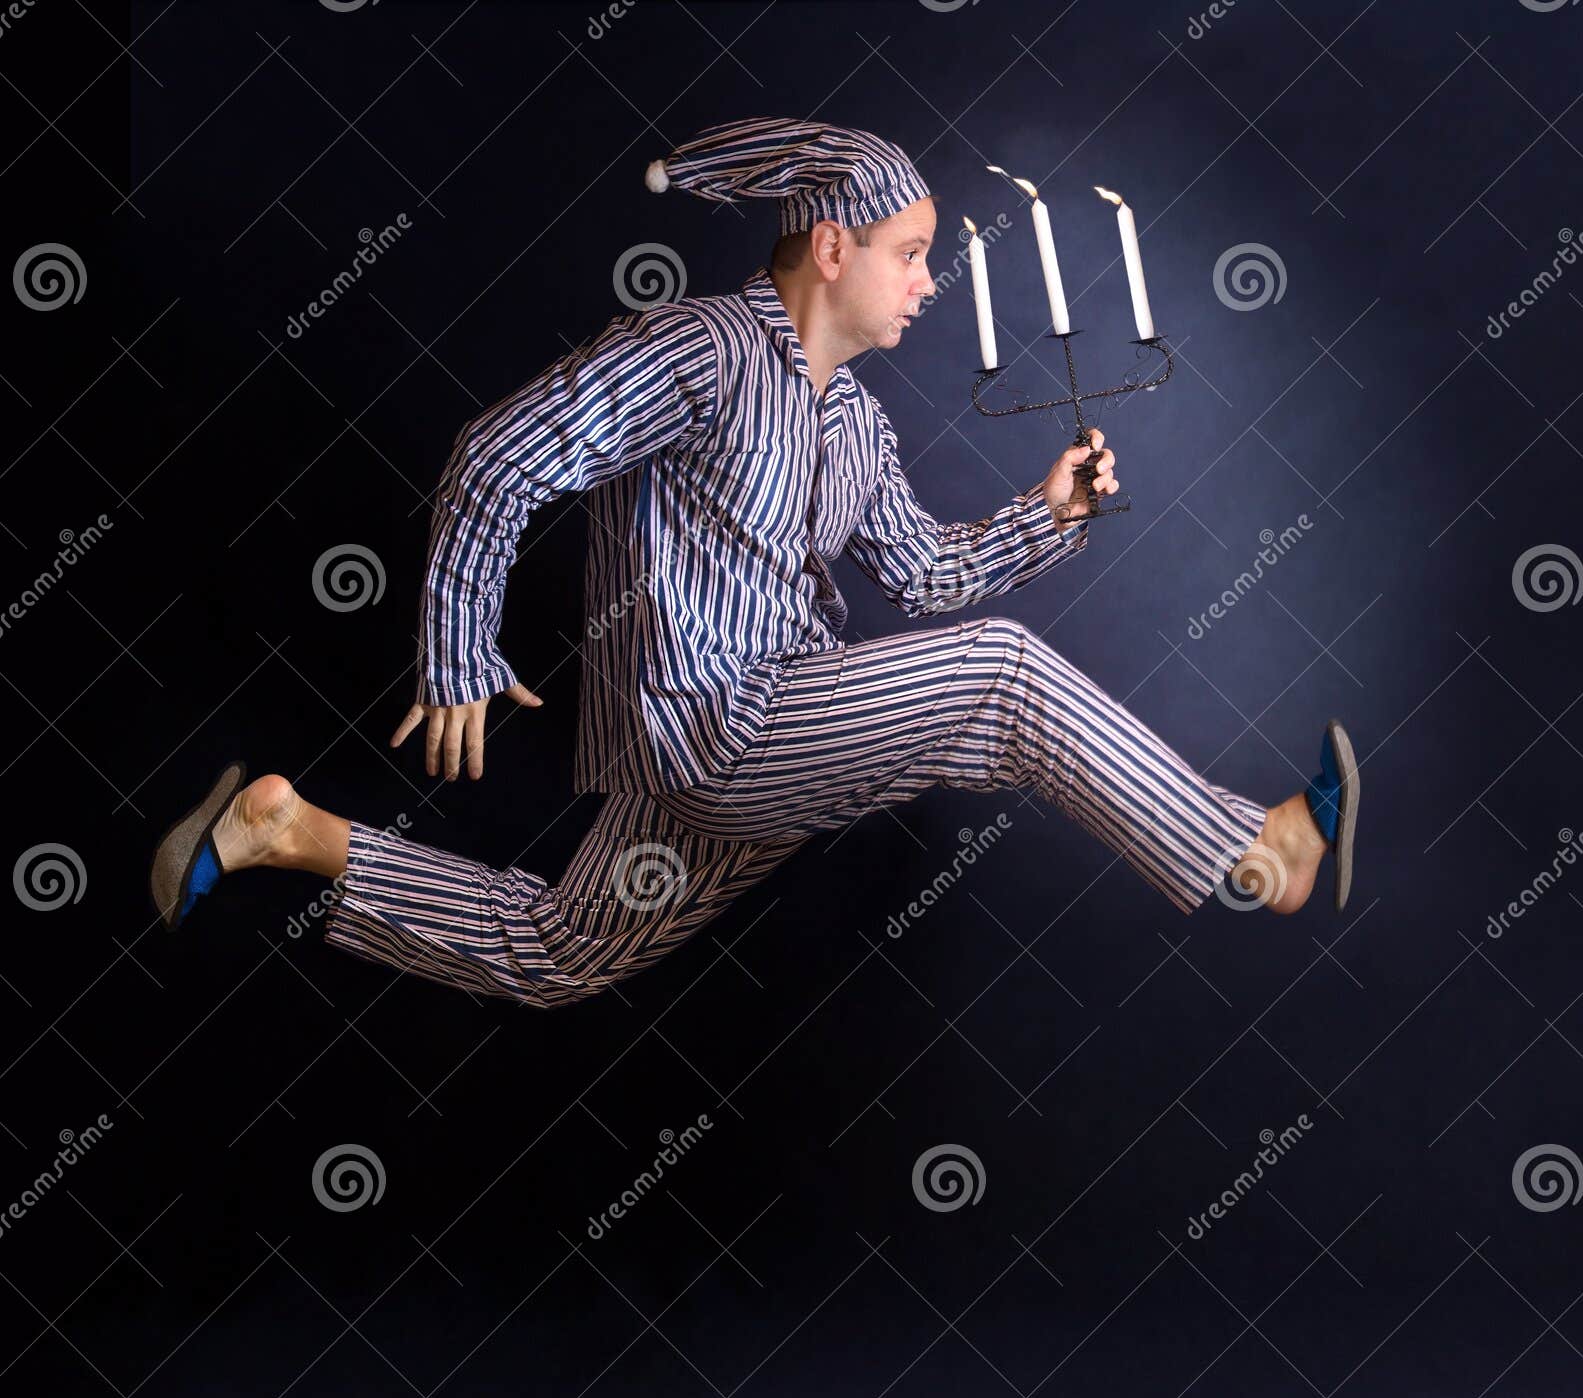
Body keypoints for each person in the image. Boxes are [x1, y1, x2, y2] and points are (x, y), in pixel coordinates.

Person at [151, 116, 1358, 1008]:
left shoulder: (854, 421)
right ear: (832, 247)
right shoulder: (702, 347)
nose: (931, 283)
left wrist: (1046, 513)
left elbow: (923, 576)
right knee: (1000, 678)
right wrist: (459, 646)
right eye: (913, 253)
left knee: (558, 954)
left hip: (774, 747)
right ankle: (1251, 850)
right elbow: (498, 453)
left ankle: (287, 830)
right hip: (711, 726)